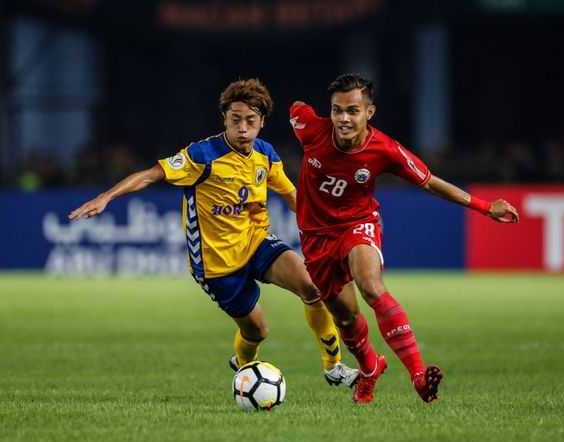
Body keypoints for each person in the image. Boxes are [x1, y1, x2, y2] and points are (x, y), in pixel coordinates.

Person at [70, 79, 359, 388]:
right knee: (257, 332)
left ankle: (334, 367)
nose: (243, 127)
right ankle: (244, 365)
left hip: (256, 241)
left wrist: (333, 226)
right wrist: (106, 197)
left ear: (262, 122)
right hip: (216, 264)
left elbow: (293, 198)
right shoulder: (202, 155)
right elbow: (151, 175)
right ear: (225, 120)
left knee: (312, 287)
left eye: (250, 120)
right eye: (235, 120)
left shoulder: (265, 154)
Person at [289, 74, 519, 404]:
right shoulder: (310, 130)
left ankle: (419, 376)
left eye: (352, 110)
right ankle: (369, 368)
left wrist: (484, 207)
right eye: (337, 110)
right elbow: (296, 110)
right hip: (315, 238)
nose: (343, 118)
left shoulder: (385, 149)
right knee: (346, 318)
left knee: (370, 285)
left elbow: (429, 181)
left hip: (358, 225)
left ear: (370, 112)